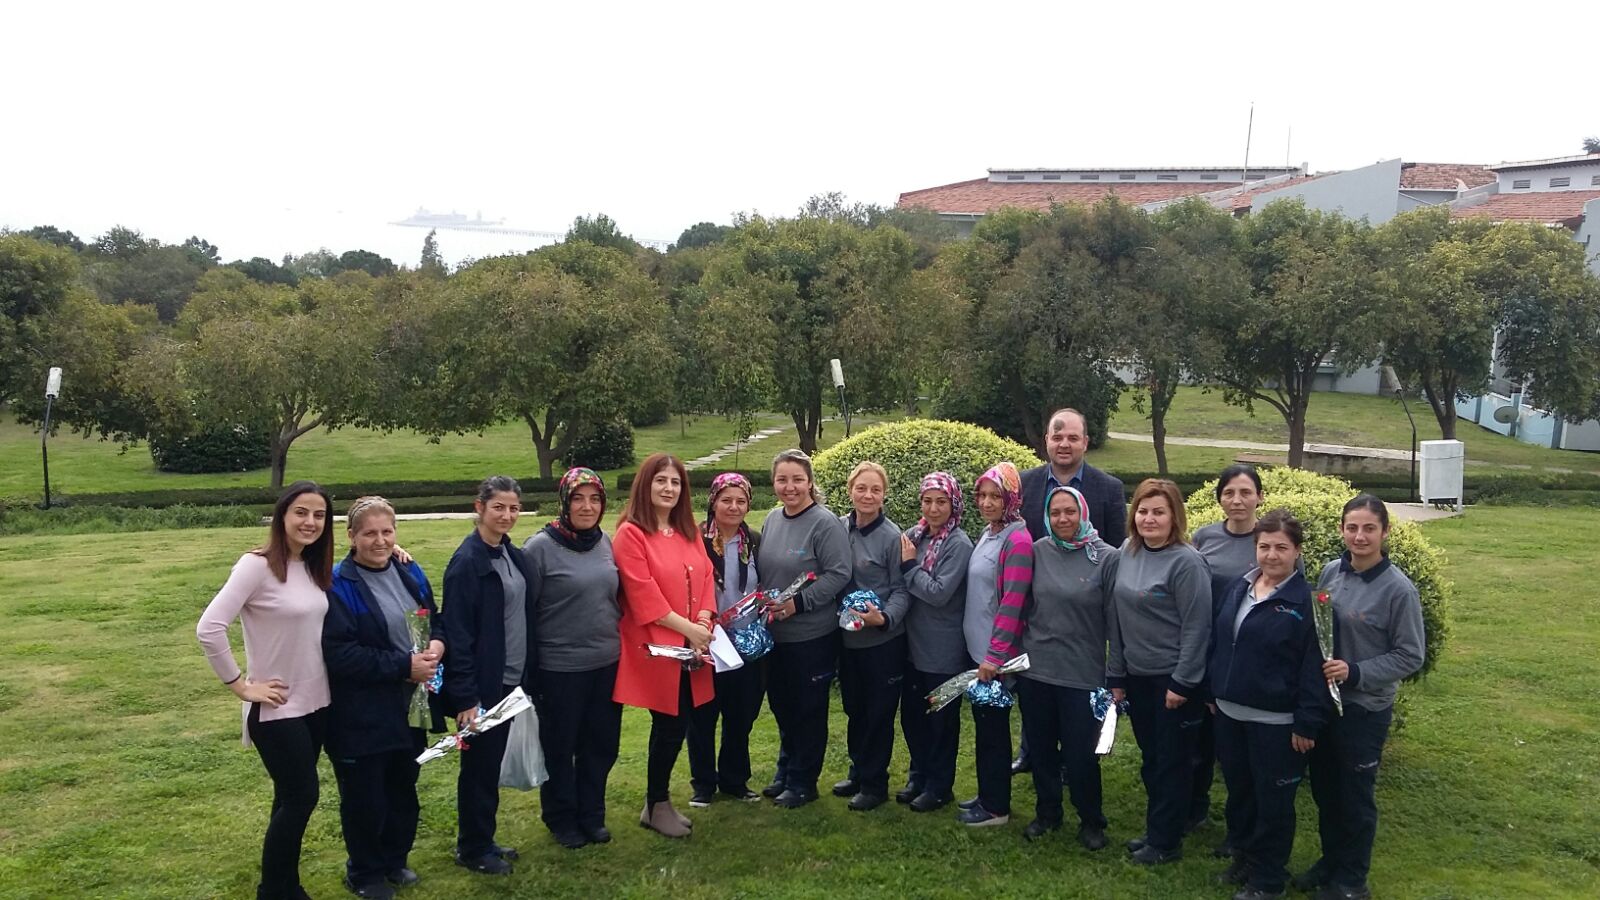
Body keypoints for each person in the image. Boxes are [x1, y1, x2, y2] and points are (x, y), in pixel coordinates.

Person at [196, 481, 334, 900]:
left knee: (289, 797)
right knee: (302, 796)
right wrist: (240, 685)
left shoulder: (312, 566)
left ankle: (280, 883)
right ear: (282, 516)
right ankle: (277, 889)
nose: (310, 522)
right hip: (277, 708)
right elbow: (209, 627)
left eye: (320, 515)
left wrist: (399, 555)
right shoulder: (256, 565)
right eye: (301, 512)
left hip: (317, 704)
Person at [1294, 495, 1425, 900]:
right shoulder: (1333, 571)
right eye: (1352, 527)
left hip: (1364, 710)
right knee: (1326, 791)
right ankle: (1331, 863)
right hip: (1327, 706)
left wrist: (1358, 672)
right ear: (1341, 530)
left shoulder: (1398, 590)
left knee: (1355, 798)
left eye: (1369, 528)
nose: (1360, 536)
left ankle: (1352, 881)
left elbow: (1411, 654)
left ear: (1385, 532)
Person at [322, 496, 444, 900]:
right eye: (370, 533)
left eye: (387, 532)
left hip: (411, 705)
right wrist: (402, 666)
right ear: (351, 536)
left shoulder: (409, 571)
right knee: (365, 796)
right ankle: (365, 872)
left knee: (402, 787)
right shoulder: (338, 584)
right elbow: (340, 653)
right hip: (360, 713)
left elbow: (432, 617)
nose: (380, 541)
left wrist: (438, 645)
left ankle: (395, 860)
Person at [1207, 509, 1331, 900]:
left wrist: (1307, 723)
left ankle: (1268, 879)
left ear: (1297, 552)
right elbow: (1220, 640)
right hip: (1230, 714)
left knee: (1273, 803)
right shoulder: (1238, 588)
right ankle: (1243, 857)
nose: (1271, 555)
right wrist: (1212, 691)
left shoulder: (1311, 603)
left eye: (1281, 548)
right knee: (1240, 794)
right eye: (1264, 547)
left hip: (1277, 723)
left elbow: (1316, 667)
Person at [1014, 408, 1127, 776]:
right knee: (1037, 694)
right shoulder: (1025, 484)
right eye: (1057, 436)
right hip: (1038, 606)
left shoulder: (1108, 489)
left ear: (1085, 443)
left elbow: (1115, 549)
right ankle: (1033, 752)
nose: (1064, 444)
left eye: (1072, 438)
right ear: (1046, 440)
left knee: (1076, 702)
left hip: (1085, 611)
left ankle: (1074, 762)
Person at [612, 453, 718, 838]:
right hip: (659, 648)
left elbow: (707, 576)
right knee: (670, 724)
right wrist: (691, 630)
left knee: (679, 723)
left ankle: (656, 803)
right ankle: (656, 804)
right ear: (646, 485)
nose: (669, 488)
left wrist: (704, 621)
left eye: (675, 482)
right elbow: (644, 597)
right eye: (661, 481)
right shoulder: (631, 534)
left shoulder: (687, 532)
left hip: (692, 647)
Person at [1109, 478, 1213, 865]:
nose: (1149, 519)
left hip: (1173, 681)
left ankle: (1165, 842)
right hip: (1137, 676)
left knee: (1172, 762)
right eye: (1143, 510)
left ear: (1175, 517)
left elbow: (1198, 626)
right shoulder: (1127, 551)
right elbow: (1116, 618)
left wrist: (1183, 682)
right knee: (1153, 758)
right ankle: (1160, 826)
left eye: (1159, 512)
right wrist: (1116, 676)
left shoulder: (1187, 561)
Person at [439, 475, 539, 876]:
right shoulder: (468, 563)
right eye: (498, 507)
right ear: (479, 508)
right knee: (479, 768)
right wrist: (465, 698)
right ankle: (473, 847)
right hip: (484, 686)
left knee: (490, 763)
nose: (507, 515)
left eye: (514, 508)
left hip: (511, 679)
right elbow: (458, 634)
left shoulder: (511, 555)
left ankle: (484, 838)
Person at [523, 467, 622, 850]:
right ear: (564, 501)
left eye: (594, 498)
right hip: (560, 668)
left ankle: (591, 814)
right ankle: (561, 817)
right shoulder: (540, 548)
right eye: (578, 498)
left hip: (606, 663)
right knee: (561, 748)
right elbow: (525, 612)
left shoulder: (604, 543)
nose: (587, 506)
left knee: (601, 745)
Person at [1017, 485, 1118, 849]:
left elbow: (1115, 622)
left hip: (1082, 673)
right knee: (1041, 750)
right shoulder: (1037, 551)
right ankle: (1048, 813)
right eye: (1056, 512)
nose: (1062, 519)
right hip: (1037, 670)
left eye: (1069, 512)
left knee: (1081, 755)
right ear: (1046, 515)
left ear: (1083, 513)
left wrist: (1116, 676)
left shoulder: (1106, 557)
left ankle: (1091, 820)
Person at [757, 448, 853, 808]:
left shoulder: (824, 523)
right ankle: (787, 768)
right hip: (775, 636)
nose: (790, 487)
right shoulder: (772, 519)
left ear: (810, 482)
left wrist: (798, 604)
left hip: (811, 636)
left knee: (808, 709)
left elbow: (839, 574)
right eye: (782, 479)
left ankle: (803, 782)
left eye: (797, 479)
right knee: (782, 704)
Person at [1190, 464, 1266, 847]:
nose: (1237, 500)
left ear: (1259, 497)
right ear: (1219, 498)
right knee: (1200, 739)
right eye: (1229, 493)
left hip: (1249, 659)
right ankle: (1195, 807)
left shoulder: (1269, 540)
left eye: (1245, 492)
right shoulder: (1203, 537)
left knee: (1238, 749)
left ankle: (1245, 826)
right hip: (1205, 649)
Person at [830, 462, 912, 812]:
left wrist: (884, 618)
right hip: (847, 642)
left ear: (884, 494)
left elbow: (902, 590)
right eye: (861, 488)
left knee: (878, 714)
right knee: (855, 709)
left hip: (882, 643)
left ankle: (875, 784)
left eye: (875, 490)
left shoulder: (893, 537)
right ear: (850, 490)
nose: (867, 495)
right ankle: (858, 770)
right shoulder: (838, 528)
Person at [957, 462, 1034, 827]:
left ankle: (996, 808)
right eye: (982, 495)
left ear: (1012, 498)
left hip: (995, 658)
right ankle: (989, 794)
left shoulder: (1017, 540)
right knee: (986, 730)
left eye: (996, 496)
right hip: (979, 652)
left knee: (994, 733)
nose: (987, 503)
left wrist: (994, 656)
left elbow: (1012, 604)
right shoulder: (991, 532)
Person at [896, 472, 975, 813]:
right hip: (913, 647)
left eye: (941, 501)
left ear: (954, 504)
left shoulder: (958, 544)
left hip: (943, 652)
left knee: (941, 722)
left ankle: (939, 786)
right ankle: (919, 774)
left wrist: (909, 567)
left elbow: (939, 593)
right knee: (913, 717)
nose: (933, 508)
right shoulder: (916, 535)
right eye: (927, 501)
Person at [687, 472, 766, 805]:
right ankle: (704, 784)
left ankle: (735, 780)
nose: (733, 507)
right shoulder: (695, 541)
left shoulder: (756, 541)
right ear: (713, 502)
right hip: (706, 641)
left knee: (741, 715)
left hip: (747, 642)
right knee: (702, 716)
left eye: (741, 501)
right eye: (726, 500)